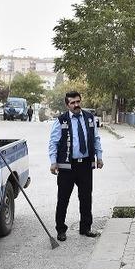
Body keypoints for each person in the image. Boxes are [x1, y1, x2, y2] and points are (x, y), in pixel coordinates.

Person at [49, 90, 103, 240]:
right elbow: (53, 143)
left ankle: (85, 228)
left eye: (78, 101)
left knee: (86, 198)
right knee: (63, 198)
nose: (76, 105)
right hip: (67, 166)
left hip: (85, 165)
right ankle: (61, 229)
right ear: (67, 105)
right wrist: (53, 162)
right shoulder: (61, 121)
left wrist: (99, 157)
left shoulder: (89, 118)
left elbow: (96, 138)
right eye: (72, 103)